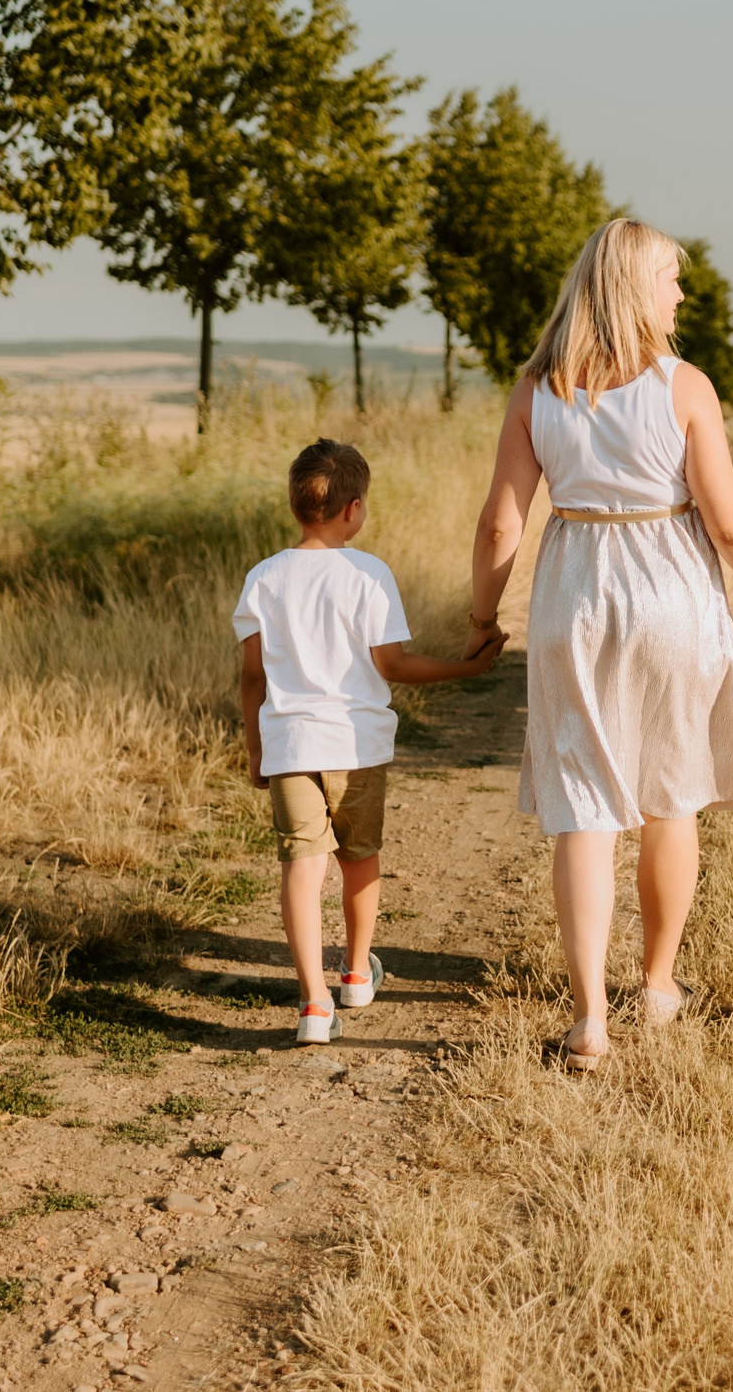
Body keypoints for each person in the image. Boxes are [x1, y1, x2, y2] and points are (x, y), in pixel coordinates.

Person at [467, 218, 733, 1074]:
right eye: (672, 279)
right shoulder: (683, 385)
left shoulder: (537, 389)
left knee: (584, 808)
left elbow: (499, 525)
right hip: (670, 593)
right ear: (637, 288)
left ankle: (589, 1019)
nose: (680, 294)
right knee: (671, 796)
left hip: (573, 599)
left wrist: (484, 617)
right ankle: (659, 984)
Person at [236, 439, 505, 1046]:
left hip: (291, 747)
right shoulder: (369, 573)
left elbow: (253, 677)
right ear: (354, 509)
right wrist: (467, 669)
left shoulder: (263, 578)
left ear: (295, 504)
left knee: (300, 869)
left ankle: (313, 1004)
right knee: (359, 859)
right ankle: (357, 973)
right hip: (356, 749)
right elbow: (394, 664)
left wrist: (256, 748)